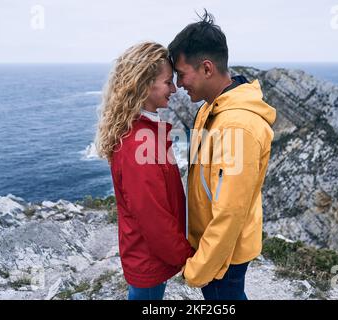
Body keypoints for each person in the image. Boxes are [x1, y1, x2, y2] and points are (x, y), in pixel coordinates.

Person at [168, 11, 276, 300]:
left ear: (206, 68)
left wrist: (198, 269)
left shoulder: (238, 126)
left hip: (223, 257)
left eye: (181, 74)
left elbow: (230, 211)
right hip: (214, 249)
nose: (179, 84)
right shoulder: (212, 107)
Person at [95, 42, 194, 300]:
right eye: (167, 82)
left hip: (147, 255)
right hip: (149, 259)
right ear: (144, 84)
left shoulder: (140, 132)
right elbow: (154, 220)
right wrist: (187, 258)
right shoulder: (139, 142)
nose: (174, 89)